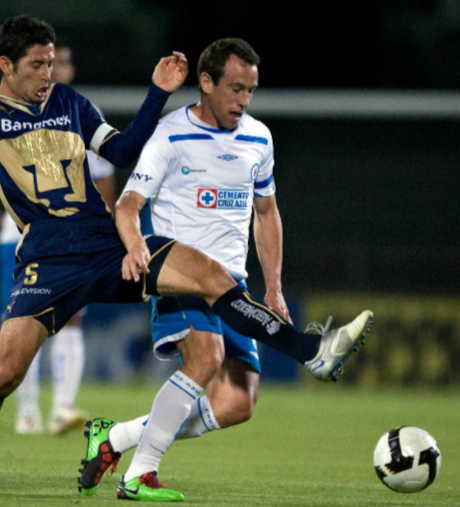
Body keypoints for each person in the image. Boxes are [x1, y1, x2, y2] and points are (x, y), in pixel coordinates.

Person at [0, 8, 371, 498]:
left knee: (214, 276)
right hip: (47, 260)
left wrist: (157, 93)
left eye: (52, 61)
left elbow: (121, 152)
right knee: (4, 374)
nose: (48, 72)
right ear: (6, 66)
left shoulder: (71, 104)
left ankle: (312, 352)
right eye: (37, 64)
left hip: (105, 245)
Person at [77, 39, 374, 501]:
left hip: (232, 286)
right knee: (206, 359)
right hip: (181, 277)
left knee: (238, 402)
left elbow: (267, 213)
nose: (243, 100)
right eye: (235, 88)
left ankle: (114, 438)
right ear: (206, 82)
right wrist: (135, 245)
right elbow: (128, 204)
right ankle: (139, 475)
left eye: (250, 90)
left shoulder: (259, 138)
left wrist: (273, 287)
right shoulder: (170, 135)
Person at [0, 40, 117, 435]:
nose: (56, 70)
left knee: (71, 320)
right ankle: (28, 410)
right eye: (48, 63)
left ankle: (62, 407)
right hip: (22, 238)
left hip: (75, 238)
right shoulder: (4, 110)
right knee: (25, 324)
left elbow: (104, 176)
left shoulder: (81, 111)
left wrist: (104, 227)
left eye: (61, 63)